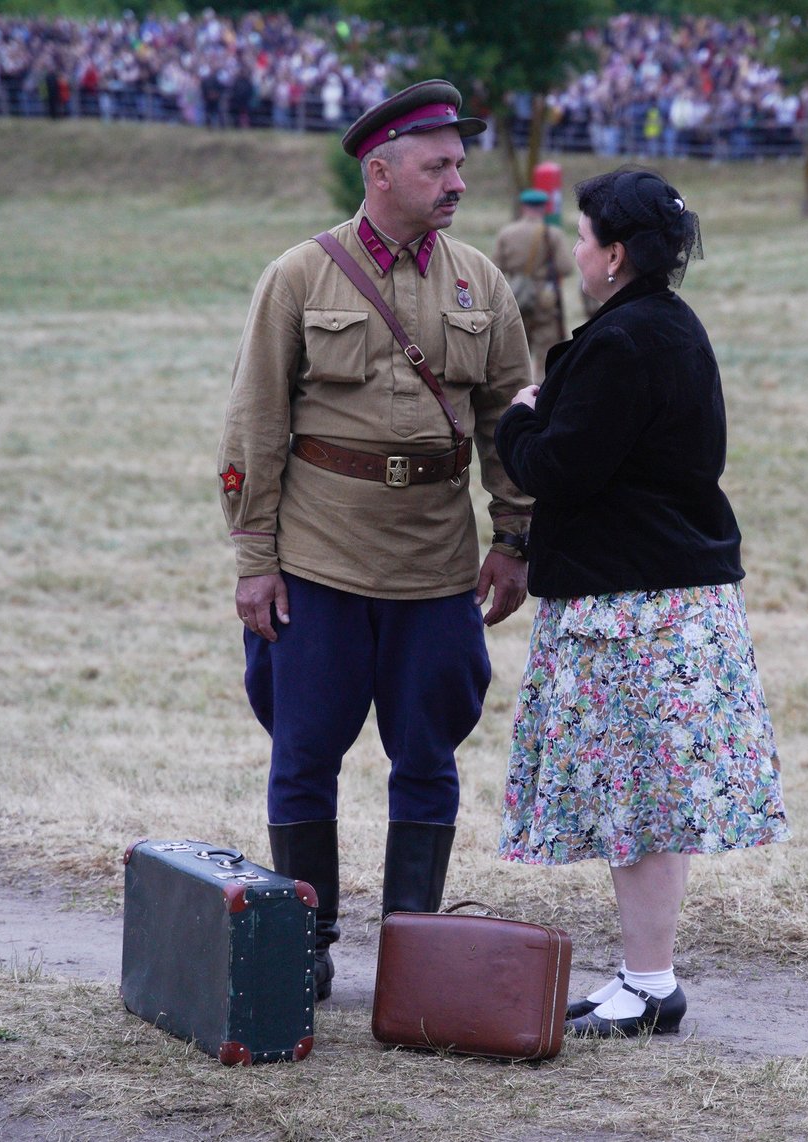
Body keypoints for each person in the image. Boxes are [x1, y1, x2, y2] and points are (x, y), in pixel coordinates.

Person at [215, 78, 535, 1003]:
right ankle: (305, 942)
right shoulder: (298, 276)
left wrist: (514, 538)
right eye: (438, 166)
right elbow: (254, 427)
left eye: (461, 165)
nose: (457, 182)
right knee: (304, 754)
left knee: (428, 758)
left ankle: (412, 947)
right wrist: (254, 560)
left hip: (436, 567)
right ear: (380, 169)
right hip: (319, 561)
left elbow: (510, 423)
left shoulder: (482, 281)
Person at [493, 168, 790, 1039]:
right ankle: (642, 976)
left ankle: (650, 982)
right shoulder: (672, 329)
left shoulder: (623, 345)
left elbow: (556, 468)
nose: (578, 251)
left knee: (642, 809)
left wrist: (518, 418)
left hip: (636, 612)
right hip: (663, 602)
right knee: (645, 807)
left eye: (585, 239)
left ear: (615, 255)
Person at [493, 188, 574, 372]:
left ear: (523, 207)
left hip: (515, 293)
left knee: (516, 347)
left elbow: (495, 267)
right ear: (543, 208)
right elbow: (566, 267)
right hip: (544, 296)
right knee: (547, 348)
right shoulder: (552, 233)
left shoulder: (507, 233)